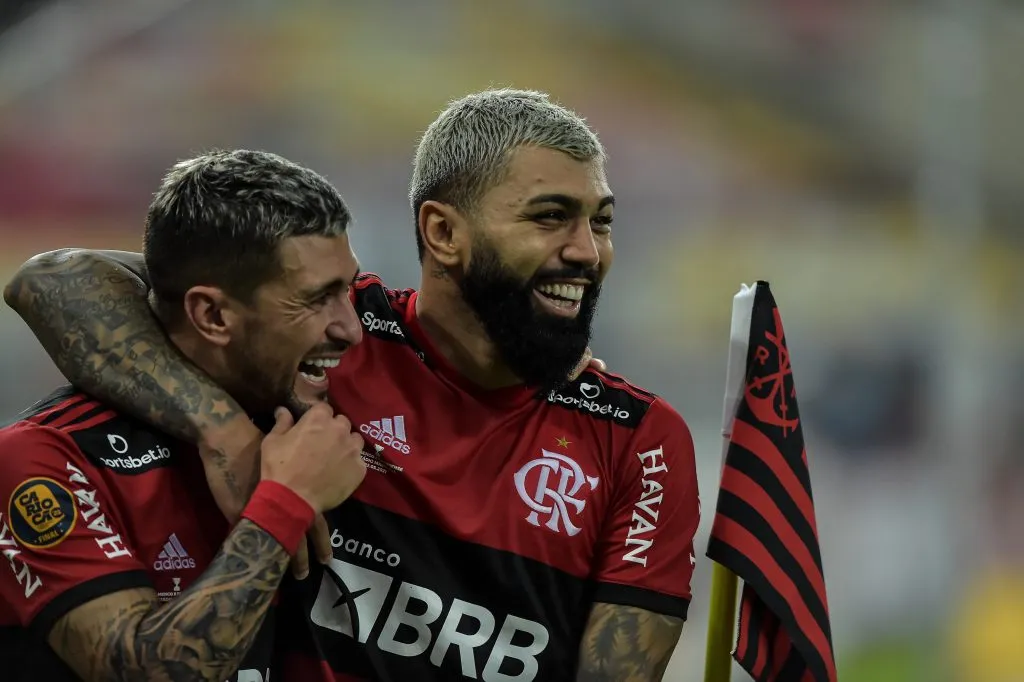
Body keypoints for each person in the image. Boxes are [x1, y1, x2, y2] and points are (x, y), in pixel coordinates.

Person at [6, 89, 701, 681]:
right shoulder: (337, 340)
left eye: (601, 221)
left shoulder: (637, 440)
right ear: (442, 232)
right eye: (550, 217)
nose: (588, 250)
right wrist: (218, 425)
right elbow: (57, 280)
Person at [0, 149, 367, 682]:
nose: (352, 329)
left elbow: (69, 275)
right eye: (318, 299)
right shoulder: (44, 457)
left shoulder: (291, 412)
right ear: (213, 315)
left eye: (349, 290)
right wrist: (284, 505)